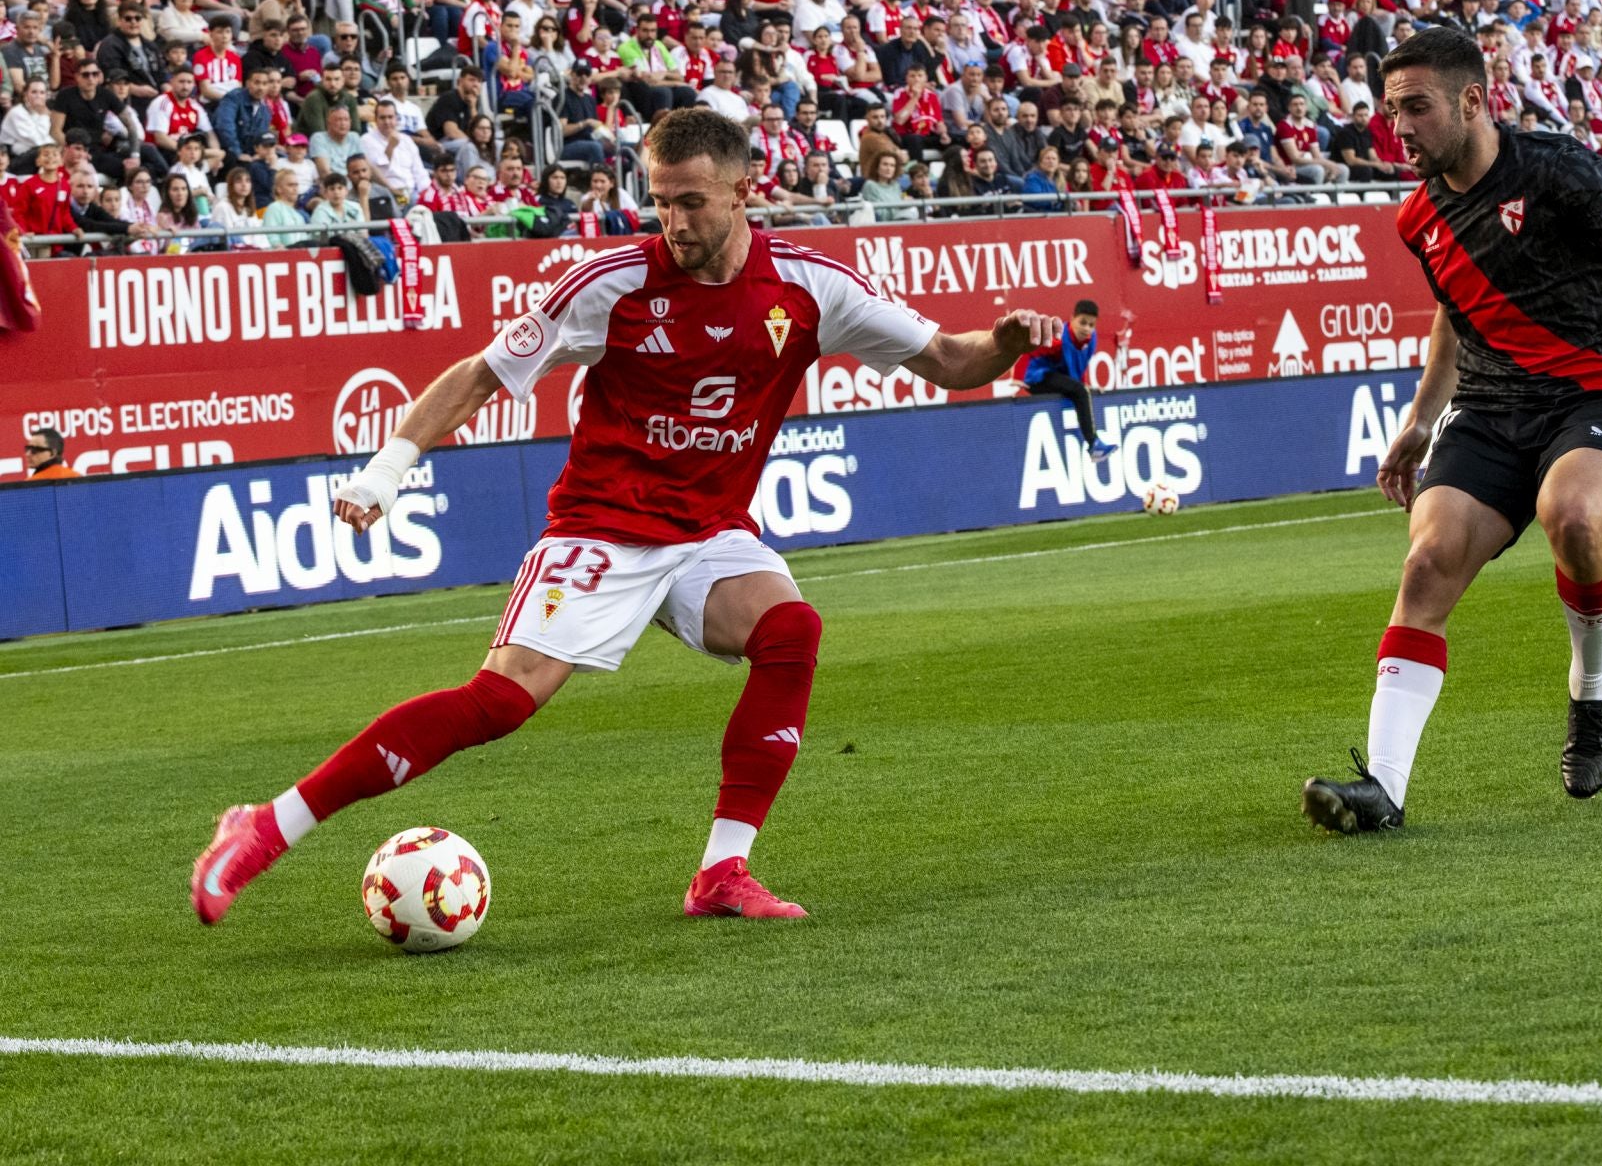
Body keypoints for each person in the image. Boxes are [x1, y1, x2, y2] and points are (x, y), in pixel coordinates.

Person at [189, 109, 1063, 926]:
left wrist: (1007, 344)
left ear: (742, 191)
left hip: (709, 530)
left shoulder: (808, 289)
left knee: (791, 630)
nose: (674, 221)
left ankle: (722, 871)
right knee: (497, 702)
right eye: (659, 200)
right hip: (602, 527)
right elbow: (481, 374)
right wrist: (389, 470)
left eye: (691, 201)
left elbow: (951, 361)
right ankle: (264, 827)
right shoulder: (610, 287)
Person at [1300, 28, 1602, 835]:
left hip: (1592, 390)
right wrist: (1419, 422)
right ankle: (1382, 789)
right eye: (1391, 111)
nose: (1400, 127)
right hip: (1487, 409)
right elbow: (1454, 317)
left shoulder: (1552, 168)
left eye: (1416, 107)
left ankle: (1591, 697)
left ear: (1473, 101)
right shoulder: (1420, 217)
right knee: (1426, 564)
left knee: (1576, 518)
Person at [1022, 299, 1117, 459]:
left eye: (1091, 325)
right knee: (1079, 391)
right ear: (1072, 318)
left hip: (1055, 375)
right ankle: (1094, 445)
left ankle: (1093, 444)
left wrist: (1085, 387)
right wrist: (1083, 389)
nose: (1087, 328)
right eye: (1083, 323)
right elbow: (1028, 353)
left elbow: (1080, 366)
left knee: (1080, 390)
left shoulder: (1091, 339)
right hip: (1035, 378)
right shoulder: (1059, 338)